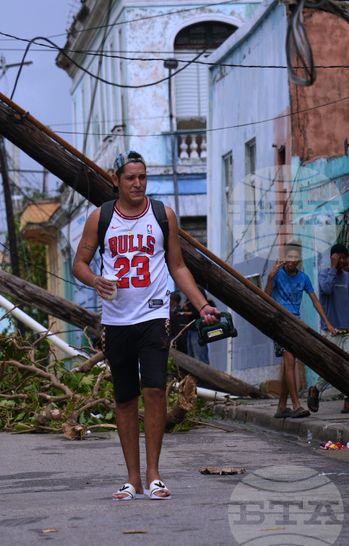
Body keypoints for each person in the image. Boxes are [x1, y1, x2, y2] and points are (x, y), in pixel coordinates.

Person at [72, 151, 219, 501]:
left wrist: (202, 305)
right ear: (116, 180)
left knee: (155, 390)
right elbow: (79, 263)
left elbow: (178, 266)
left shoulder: (162, 215)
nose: (137, 183)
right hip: (116, 321)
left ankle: (154, 475)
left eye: (142, 177)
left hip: (154, 317)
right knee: (125, 398)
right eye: (130, 178)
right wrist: (94, 280)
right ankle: (132, 479)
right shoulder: (101, 218)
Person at [264, 241, 332, 419]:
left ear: (299, 259)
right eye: (289, 257)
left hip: (296, 324)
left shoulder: (303, 278)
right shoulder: (277, 274)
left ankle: (281, 406)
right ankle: (295, 405)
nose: (291, 260)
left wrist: (328, 323)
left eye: (295, 257)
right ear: (284, 258)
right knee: (289, 360)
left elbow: (315, 301)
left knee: (290, 363)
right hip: (279, 322)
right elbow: (265, 297)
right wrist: (270, 278)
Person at [312, 243, 349, 413]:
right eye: (338, 258)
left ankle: (348, 402)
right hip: (330, 330)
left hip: (348, 328)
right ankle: (316, 389)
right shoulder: (323, 274)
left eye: (343, 257)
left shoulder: (347, 277)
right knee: (330, 367)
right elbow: (325, 290)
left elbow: (347, 302)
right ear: (332, 258)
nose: (342, 261)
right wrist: (333, 268)